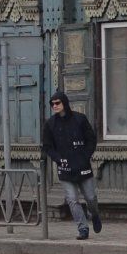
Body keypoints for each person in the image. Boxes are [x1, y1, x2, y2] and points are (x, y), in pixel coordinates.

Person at [40, 91, 102, 239]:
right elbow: (47, 147)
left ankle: (94, 214)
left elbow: (91, 139)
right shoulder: (50, 124)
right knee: (72, 199)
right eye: (52, 104)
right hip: (65, 168)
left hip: (83, 166)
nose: (55, 106)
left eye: (58, 103)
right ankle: (83, 228)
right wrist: (58, 159)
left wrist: (85, 156)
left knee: (91, 197)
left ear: (65, 103)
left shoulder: (80, 119)